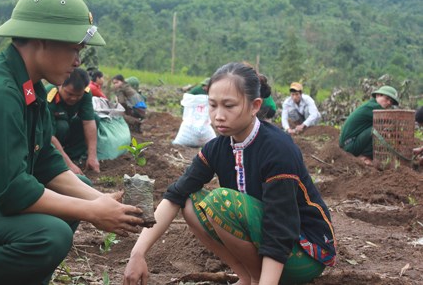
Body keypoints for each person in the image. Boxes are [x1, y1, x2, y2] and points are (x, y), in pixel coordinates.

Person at [0, 0, 143, 285]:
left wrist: (100, 200)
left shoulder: (30, 87)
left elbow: (46, 160)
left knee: (76, 190)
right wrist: (91, 210)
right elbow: (11, 190)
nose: (77, 61)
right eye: (74, 49)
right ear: (41, 40)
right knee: (49, 234)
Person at [123, 62, 336, 285]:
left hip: (302, 252)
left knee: (221, 201)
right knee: (189, 201)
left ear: (254, 106)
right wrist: (137, 254)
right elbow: (175, 195)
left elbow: (279, 228)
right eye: (213, 106)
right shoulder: (217, 147)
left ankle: (257, 280)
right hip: (266, 245)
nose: (218, 116)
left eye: (229, 106)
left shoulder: (277, 150)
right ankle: (246, 277)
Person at [46, 68, 100, 175]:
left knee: (95, 118)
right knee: (62, 126)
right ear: (60, 84)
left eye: (78, 96)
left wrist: (92, 156)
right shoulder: (49, 95)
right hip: (49, 136)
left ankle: (73, 157)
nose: (73, 98)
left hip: (67, 130)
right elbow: (48, 135)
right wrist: (68, 164)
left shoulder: (85, 93)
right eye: (69, 94)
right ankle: (57, 159)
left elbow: (88, 122)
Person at [339, 85, 400, 165]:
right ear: (378, 95)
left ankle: (366, 156)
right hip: (350, 146)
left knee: (380, 128)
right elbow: (391, 125)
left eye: (391, 101)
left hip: (349, 144)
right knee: (380, 129)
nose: (389, 103)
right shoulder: (374, 108)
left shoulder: (371, 105)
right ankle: (364, 157)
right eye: (387, 99)